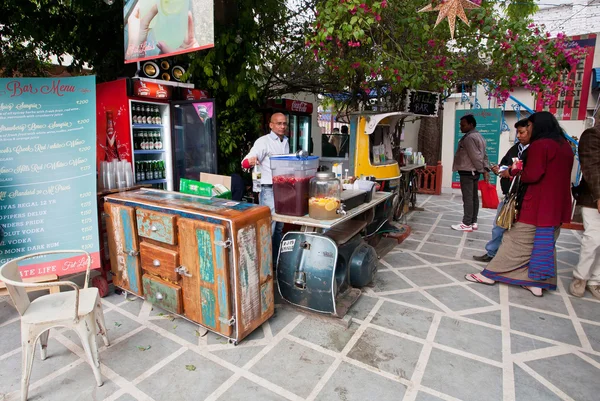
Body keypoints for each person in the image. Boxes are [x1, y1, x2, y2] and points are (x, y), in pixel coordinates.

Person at [465, 112, 574, 297]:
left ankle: (490, 274)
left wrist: (512, 172)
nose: (528, 130)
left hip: (538, 204)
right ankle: (536, 283)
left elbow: (532, 174)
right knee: (544, 244)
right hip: (557, 205)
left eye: (530, 126)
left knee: (514, 240)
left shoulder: (541, 145)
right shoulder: (566, 146)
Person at [473, 119, 530, 262]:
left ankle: (511, 258)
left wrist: (511, 172)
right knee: (499, 225)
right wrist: (499, 169)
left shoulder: (535, 150)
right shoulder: (516, 148)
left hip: (524, 195)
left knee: (517, 230)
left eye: (522, 132)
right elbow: (505, 163)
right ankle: (492, 253)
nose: (518, 135)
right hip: (509, 194)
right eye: (517, 132)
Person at [241, 113, 289, 260]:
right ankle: (264, 263)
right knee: (269, 227)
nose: (282, 126)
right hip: (268, 189)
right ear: (271, 125)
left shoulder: (285, 141)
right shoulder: (263, 142)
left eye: (284, 124)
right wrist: (249, 162)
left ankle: (274, 261)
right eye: (279, 123)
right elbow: (245, 161)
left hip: (283, 189)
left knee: (279, 227)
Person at [569, 127, 600, 299]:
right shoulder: (593, 134)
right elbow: (591, 167)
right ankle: (580, 277)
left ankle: (595, 280)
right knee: (593, 239)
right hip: (592, 197)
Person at [451, 114, 490, 232]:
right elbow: (484, 155)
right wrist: (485, 169)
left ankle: (466, 223)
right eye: (460, 125)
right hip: (474, 171)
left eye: (463, 125)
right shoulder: (479, 136)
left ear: (471, 125)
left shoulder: (469, 138)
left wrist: (482, 169)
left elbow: (476, 157)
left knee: (468, 198)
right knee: (473, 198)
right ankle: (473, 221)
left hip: (468, 171)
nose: (461, 127)